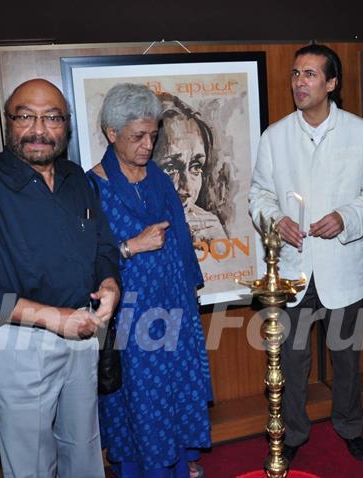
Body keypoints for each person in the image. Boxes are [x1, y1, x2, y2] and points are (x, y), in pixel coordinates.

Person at [0, 79, 122, 477]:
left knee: (85, 449)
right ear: (8, 122)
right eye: (26, 116)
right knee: (31, 464)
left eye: (52, 118)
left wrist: (109, 285)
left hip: (81, 329)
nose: (38, 129)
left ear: (67, 126)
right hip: (16, 341)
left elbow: (104, 247)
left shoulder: (77, 180)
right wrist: (52, 317)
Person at [249, 44, 363, 465]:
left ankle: (349, 426)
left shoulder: (360, 133)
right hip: (292, 270)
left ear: (331, 83)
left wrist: (347, 218)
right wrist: (275, 220)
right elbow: (257, 193)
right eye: (295, 74)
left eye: (309, 74)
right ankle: (293, 431)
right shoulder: (275, 136)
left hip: (343, 267)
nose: (299, 82)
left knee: (346, 358)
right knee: (292, 361)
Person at [89, 83, 211, 478]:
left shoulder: (157, 177)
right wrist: (131, 246)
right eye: (138, 136)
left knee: (177, 388)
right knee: (145, 399)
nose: (148, 145)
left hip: (175, 303)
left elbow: (180, 241)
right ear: (112, 133)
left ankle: (178, 463)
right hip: (132, 315)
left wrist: (189, 298)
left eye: (153, 135)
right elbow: (87, 260)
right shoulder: (91, 188)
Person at [153, 92, 228, 247]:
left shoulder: (210, 228)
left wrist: (220, 247)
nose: (187, 188)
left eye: (195, 166)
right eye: (171, 167)